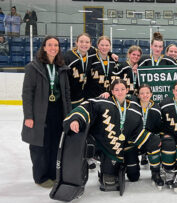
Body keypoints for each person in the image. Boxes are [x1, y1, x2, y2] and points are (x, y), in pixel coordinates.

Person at [66, 79, 165, 190]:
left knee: (135, 174)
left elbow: (136, 130)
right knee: (109, 182)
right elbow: (87, 107)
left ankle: (155, 173)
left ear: (127, 90)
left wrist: (153, 140)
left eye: (122, 89)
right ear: (112, 91)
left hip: (127, 142)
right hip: (106, 146)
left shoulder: (134, 106)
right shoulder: (103, 102)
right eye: (116, 90)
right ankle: (111, 169)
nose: (120, 92)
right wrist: (76, 119)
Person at [21, 36, 71, 188]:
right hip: (40, 112)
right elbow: (27, 93)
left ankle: (53, 174)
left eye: (56, 45)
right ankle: (41, 177)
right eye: (50, 45)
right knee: (39, 145)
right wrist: (28, 116)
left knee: (55, 144)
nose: (53, 48)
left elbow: (67, 93)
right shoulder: (33, 67)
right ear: (44, 47)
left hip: (57, 111)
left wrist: (68, 114)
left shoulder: (61, 67)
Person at [64, 33, 96, 108]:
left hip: (83, 97)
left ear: (90, 44)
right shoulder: (68, 57)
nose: (84, 44)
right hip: (70, 99)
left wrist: (111, 54)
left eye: (87, 42)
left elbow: (103, 51)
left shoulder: (92, 52)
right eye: (81, 42)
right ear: (76, 43)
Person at [135, 84, 162, 170]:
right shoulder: (133, 106)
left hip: (150, 136)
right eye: (142, 93)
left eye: (147, 93)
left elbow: (158, 126)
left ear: (151, 94)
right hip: (136, 136)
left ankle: (155, 170)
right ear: (138, 95)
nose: (145, 95)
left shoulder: (156, 108)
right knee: (133, 175)